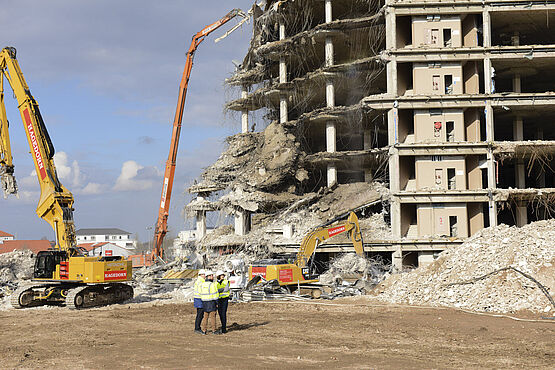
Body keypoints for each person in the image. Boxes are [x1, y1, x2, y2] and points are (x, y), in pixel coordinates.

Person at [200, 270, 220, 335]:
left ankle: (203, 330)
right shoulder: (212, 285)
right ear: (208, 276)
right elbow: (215, 295)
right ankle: (214, 330)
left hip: (204, 303)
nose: (212, 277)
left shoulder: (202, 285)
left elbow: (201, 294)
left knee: (205, 317)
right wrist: (217, 303)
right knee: (213, 317)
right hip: (211, 303)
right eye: (211, 275)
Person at [193, 269, 205, 334]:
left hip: (198, 299)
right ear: (201, 275)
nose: (205, 276)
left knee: (199, 314)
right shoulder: (201, 282)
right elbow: (201, 291)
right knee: (200, 314)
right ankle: (197, 328)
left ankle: (197, 327)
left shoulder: (199, 281)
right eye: (204, 274)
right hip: (200, 299)